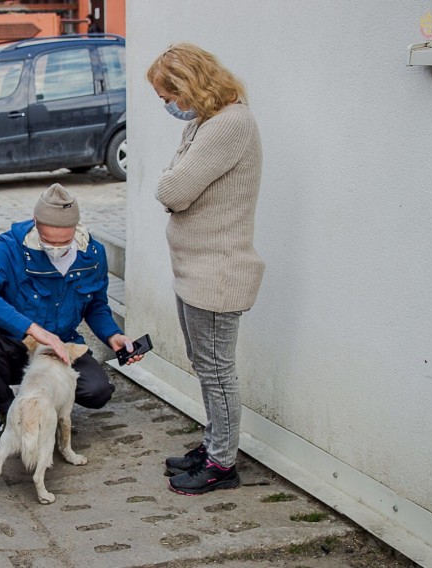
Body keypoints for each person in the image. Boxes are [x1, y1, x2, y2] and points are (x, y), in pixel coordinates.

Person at [146, 43, 265, 495]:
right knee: (203, 363)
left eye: (168, 96)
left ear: (189, 86)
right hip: (196, 268)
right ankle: (214, 441)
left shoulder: (229, 124)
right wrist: (174, 177)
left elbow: (172, 189)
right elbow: (177, 181)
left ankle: (221, 463)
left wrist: (172, 178)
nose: (168, 106)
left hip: (218, 272)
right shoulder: (206, 123)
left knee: (216, 370)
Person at [0, 183, 142, 444]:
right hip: (16, 344)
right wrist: (32, 329)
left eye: (64, 241)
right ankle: (8, 412)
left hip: (62, 346)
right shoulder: (9, 246)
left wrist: (112, 335)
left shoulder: (93, 255)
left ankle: (47, 412)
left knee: (98, 391)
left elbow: (96, 305)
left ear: (76, 227)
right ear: (35, 222)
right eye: (48, 240)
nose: (56, 248)